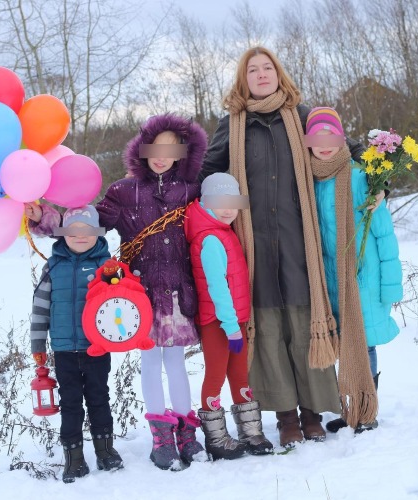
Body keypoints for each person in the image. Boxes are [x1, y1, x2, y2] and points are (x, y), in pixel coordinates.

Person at [200, 46, 368, 446]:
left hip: (298, 239)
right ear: (244, 79)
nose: (261, 74)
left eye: (267, 68)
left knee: (302, 325)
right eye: (253, 70)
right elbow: (207, 172)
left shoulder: (304, 116)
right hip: (252, 242)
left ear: (279, 74)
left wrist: (378, 173)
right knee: (270, 333)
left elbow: (343, 147)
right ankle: (286, 417)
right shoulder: (232, 125)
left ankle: (311, 412)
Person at [26, 114, 208, 471]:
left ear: (183, 153)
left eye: (170, 148)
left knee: (177, 365)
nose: (160, 155)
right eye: (154, 147)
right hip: (138, 292)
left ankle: (188, 433)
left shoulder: (192, 191)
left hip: (177, 291)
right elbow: (84, 222)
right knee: (151, 363)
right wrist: (43, 216)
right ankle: (161, 439)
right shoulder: (123, 191)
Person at [306, 107, 403, 431]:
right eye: (316, 138)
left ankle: (367, 410)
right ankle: (349, 410)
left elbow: (384, 234)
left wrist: (390, 286)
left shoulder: (362, 178)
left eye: (330, 137)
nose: (324, 144)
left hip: (364, 279)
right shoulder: (310, 183)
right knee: (341, 344)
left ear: (341, 138)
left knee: (364, 344)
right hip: (330, 281)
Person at [30, 205, 123, 484]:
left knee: (99, 398)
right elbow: (40, 306)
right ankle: (74, 459)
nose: (80, 236)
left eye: (87, 231)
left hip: (97, 347)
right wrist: (38, 343)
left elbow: (122, 301)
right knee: (70, 404)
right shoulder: (53, 266)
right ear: (62, 234)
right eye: (73, 231)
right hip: (63, 349)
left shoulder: (107, 267)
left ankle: (105, 451)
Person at [184, 172, 274, 460]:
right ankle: (216, 438)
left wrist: (237, 323)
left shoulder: (225, 231)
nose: (227, 208)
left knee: (240, 375)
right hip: (218, 323)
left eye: (232, 202)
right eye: (219, 201)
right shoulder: (210, 238)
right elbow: (217, 286)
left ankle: (250, 431)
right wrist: (230, 326)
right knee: (215, 376)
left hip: (235, 321)